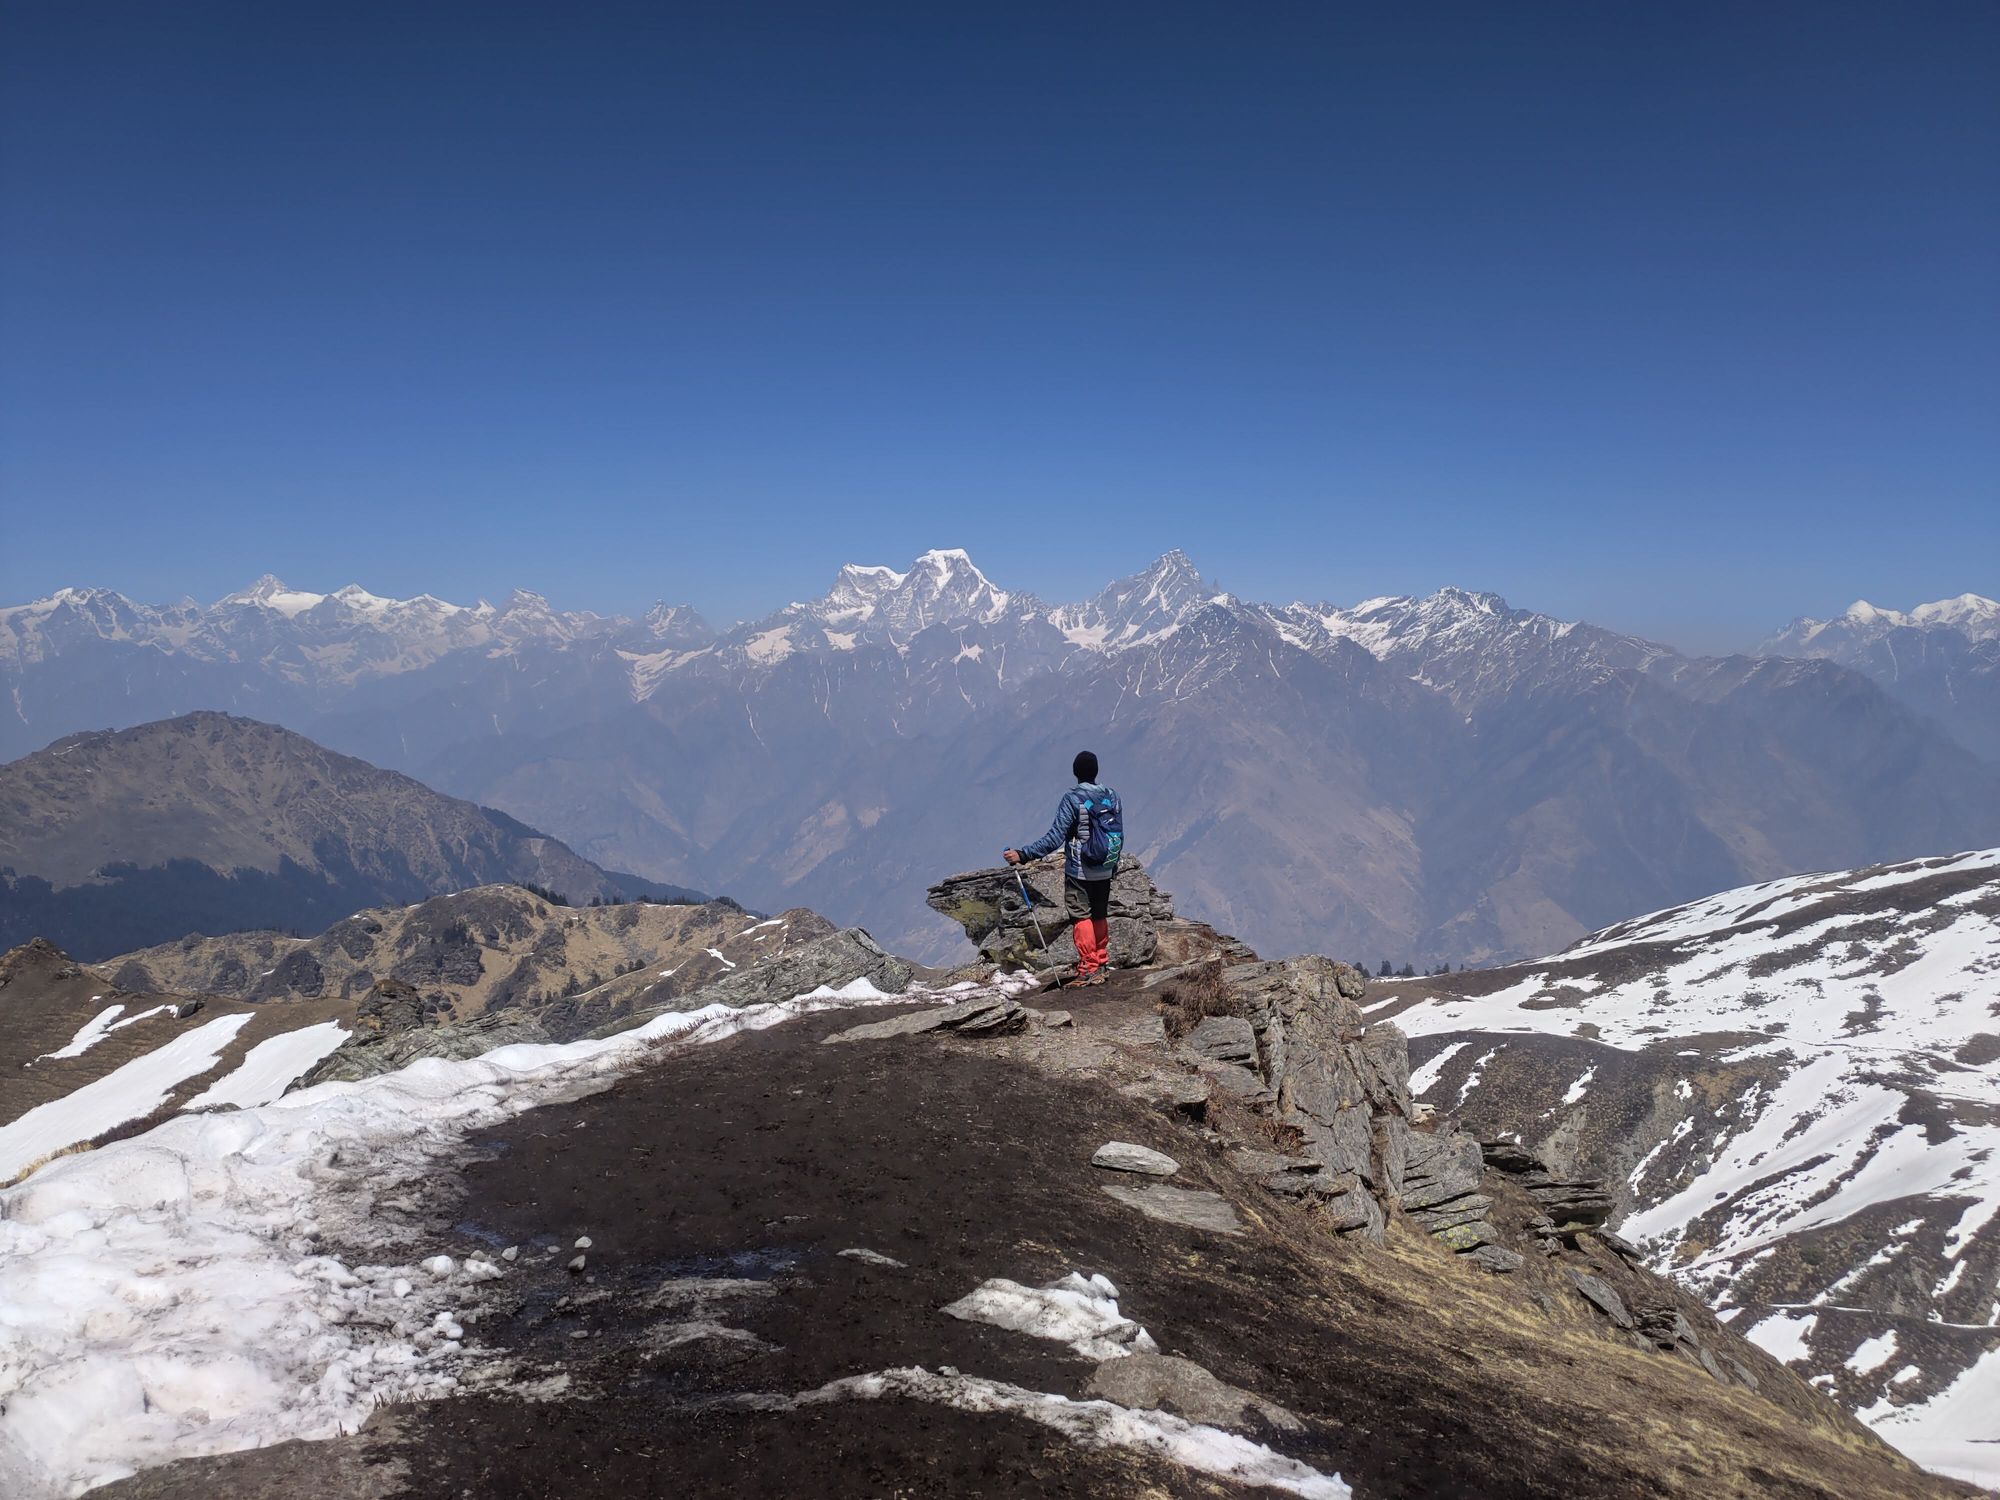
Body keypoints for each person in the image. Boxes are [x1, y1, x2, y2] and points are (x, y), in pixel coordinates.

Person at [1004, 751, 1122, 986]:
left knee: (1081, 916)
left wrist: (1024, 854)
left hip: (1080, 869)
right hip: (1106, 867)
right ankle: (1101, 962)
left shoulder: (1072, 799)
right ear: (1096, 771)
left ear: (1075, 772)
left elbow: (1055, 837)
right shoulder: (1112, 796)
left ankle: (1089, 968)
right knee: (1099, 914)